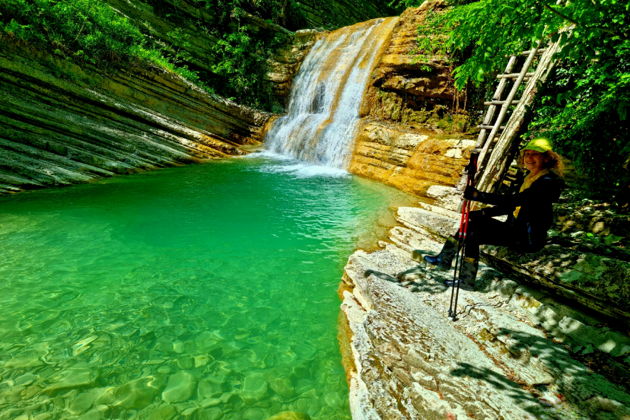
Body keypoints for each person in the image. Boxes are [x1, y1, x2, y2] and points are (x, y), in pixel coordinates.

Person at [423, 137, 565, 286]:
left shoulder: (549, 182)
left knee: (472, 233)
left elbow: (516, 200)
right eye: (527, 154)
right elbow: (511, 207)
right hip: (516, 229)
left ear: (547, 158)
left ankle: (463, 277)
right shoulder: (529, 177)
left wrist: (479, 196)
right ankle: (446, 261)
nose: (529, 158)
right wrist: (483, 213)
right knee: (471, 225)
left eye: (535, 154)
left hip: (528, 238)